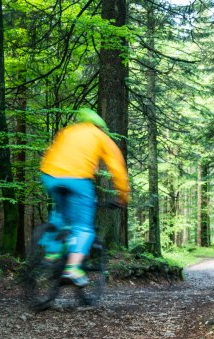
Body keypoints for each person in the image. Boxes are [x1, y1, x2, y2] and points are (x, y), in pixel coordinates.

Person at [39, 108, 130, 286]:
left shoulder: (68, 131)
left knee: (61, 214)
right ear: (99, 126)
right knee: (83, 226)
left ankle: (52, 252)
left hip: (49, 175)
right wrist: (123, 196)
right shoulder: (100, 136)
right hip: (78, 179)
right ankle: (72, 268)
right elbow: (117, 167)